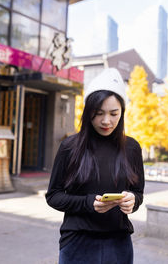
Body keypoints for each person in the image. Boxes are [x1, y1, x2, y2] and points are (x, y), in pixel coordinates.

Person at [46, 68, 145, 264]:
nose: (106, 121)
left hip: (119, 242)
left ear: (122, 113)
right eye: (98, 113)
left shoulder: (132, 148)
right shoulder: (70, 146)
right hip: (77, 242)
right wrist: (88, 203)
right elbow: (53, 196)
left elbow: (138, 193)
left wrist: (132, 200)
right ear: (88, 112)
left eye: (114, 113)